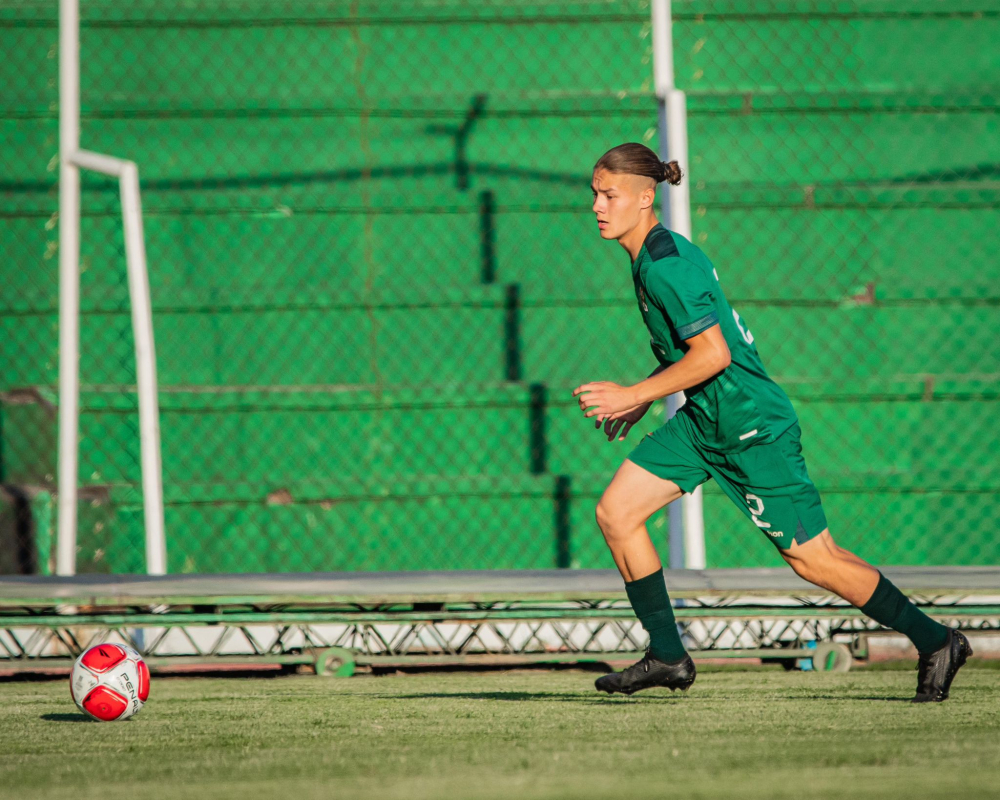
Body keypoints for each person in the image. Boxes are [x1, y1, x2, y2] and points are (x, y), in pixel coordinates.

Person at [574, 142, 971, 702]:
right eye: (595, 192)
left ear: (646, 198)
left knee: (815, 559)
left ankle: (935, 640)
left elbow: (714, 356)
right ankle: (667, 654)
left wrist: (634, 392)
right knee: (617, 512)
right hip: (706, 423)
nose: (597, 205)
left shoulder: (665, 267)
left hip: (751, 428)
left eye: (609, 194)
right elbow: (691, 351)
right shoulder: (654, 257)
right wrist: (646, 398)